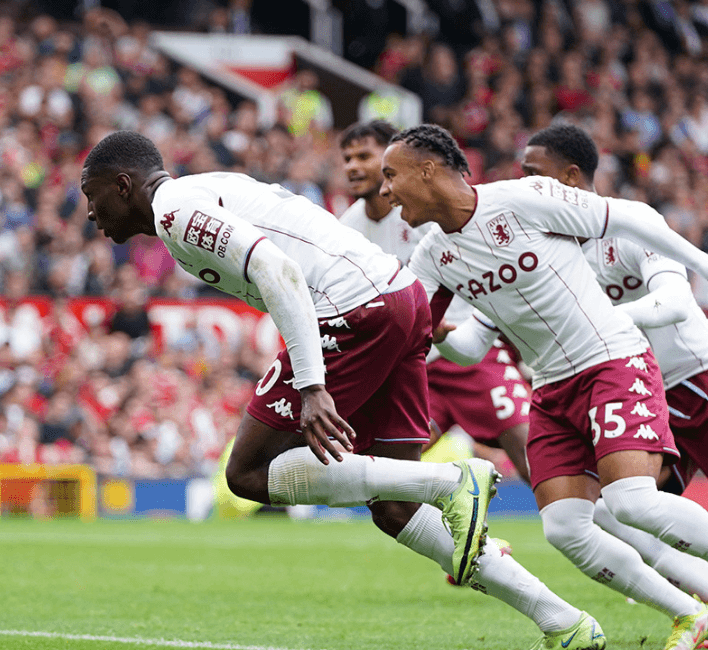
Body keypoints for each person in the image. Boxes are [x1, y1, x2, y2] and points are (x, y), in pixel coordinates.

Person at [82, 130, 604, 650]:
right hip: (397, 299)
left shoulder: (176, 211)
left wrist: (311, 384)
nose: (89, 211)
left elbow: (275, 267)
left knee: (245, 472)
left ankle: (451, 480)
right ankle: (564, 622)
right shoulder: (200, 193)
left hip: (353, 311)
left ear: (123, 185)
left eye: (92, 195)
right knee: (395, 507)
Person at [387, 123, 708, 650]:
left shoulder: (521, 199)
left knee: (632, 503)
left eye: (391, 175)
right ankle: (689, 614)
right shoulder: (432, 256)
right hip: (552, 390)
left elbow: (633, 215)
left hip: (612, 362)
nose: (385, 190)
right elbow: (456, 344)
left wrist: (701, 264)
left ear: (428, 170)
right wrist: (439, 335)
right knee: (565, 528)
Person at [517, 123, 708, 602]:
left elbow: (677, 301)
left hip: (693, 379)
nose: (523, 187)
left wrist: (599, 320)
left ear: (573, 178)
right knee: (609, 509)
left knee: (631, 507)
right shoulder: (548, 251)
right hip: (634, 388)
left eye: (534, 175)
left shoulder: (628, 225)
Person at [339, 119, 531, 483]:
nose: (352, 166)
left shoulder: (424, 212)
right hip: (414, 368)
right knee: (388, 471)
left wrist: (487, 329)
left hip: (468, 353)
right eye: (346, 158)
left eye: (363, 156)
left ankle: (590, 529)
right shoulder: (346, 231)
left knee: (527, 447)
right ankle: (459, 532)